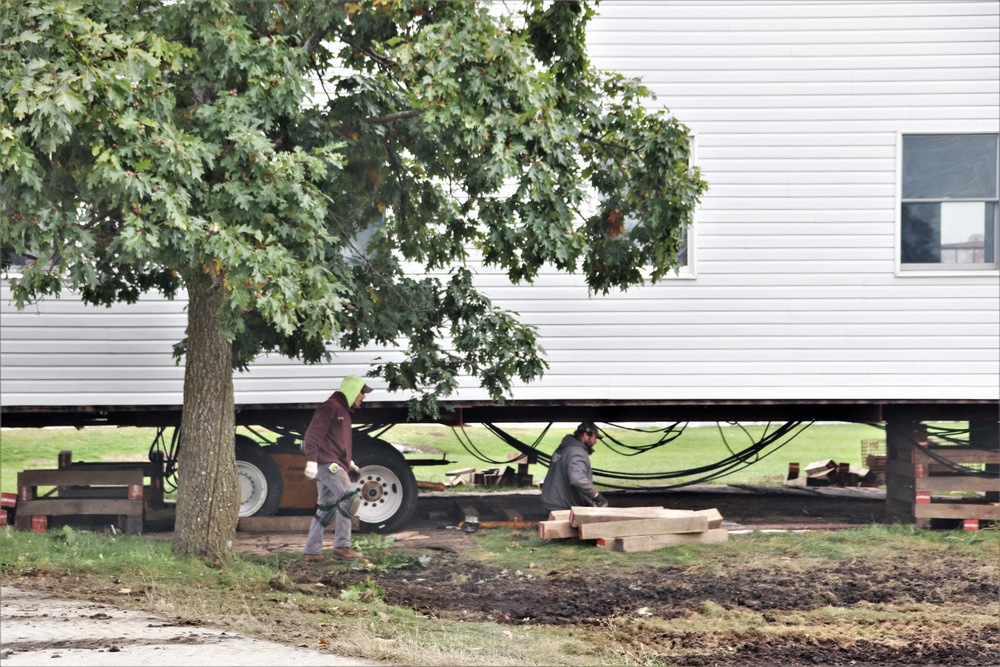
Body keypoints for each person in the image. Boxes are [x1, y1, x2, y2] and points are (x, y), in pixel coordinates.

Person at [302, 375, 372, 562]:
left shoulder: (343, 410)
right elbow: (312, 436)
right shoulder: (331, 407)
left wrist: (350, 464)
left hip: (334, 462)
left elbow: (337, 444)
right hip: (328, 464)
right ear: (351, 390)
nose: (363, 397)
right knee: (350, 500)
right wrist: (311, 461)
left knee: (325, 508)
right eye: (361, 393)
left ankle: (312, 552)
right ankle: (342, 546)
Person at [540, 421, 608, 513]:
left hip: (552, 503)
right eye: (595, 438)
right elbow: (578, 479)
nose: (595, 442)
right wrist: (596, 496)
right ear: (585, 435)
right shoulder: (577, 452)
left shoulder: (563, 449)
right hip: (563, 507)